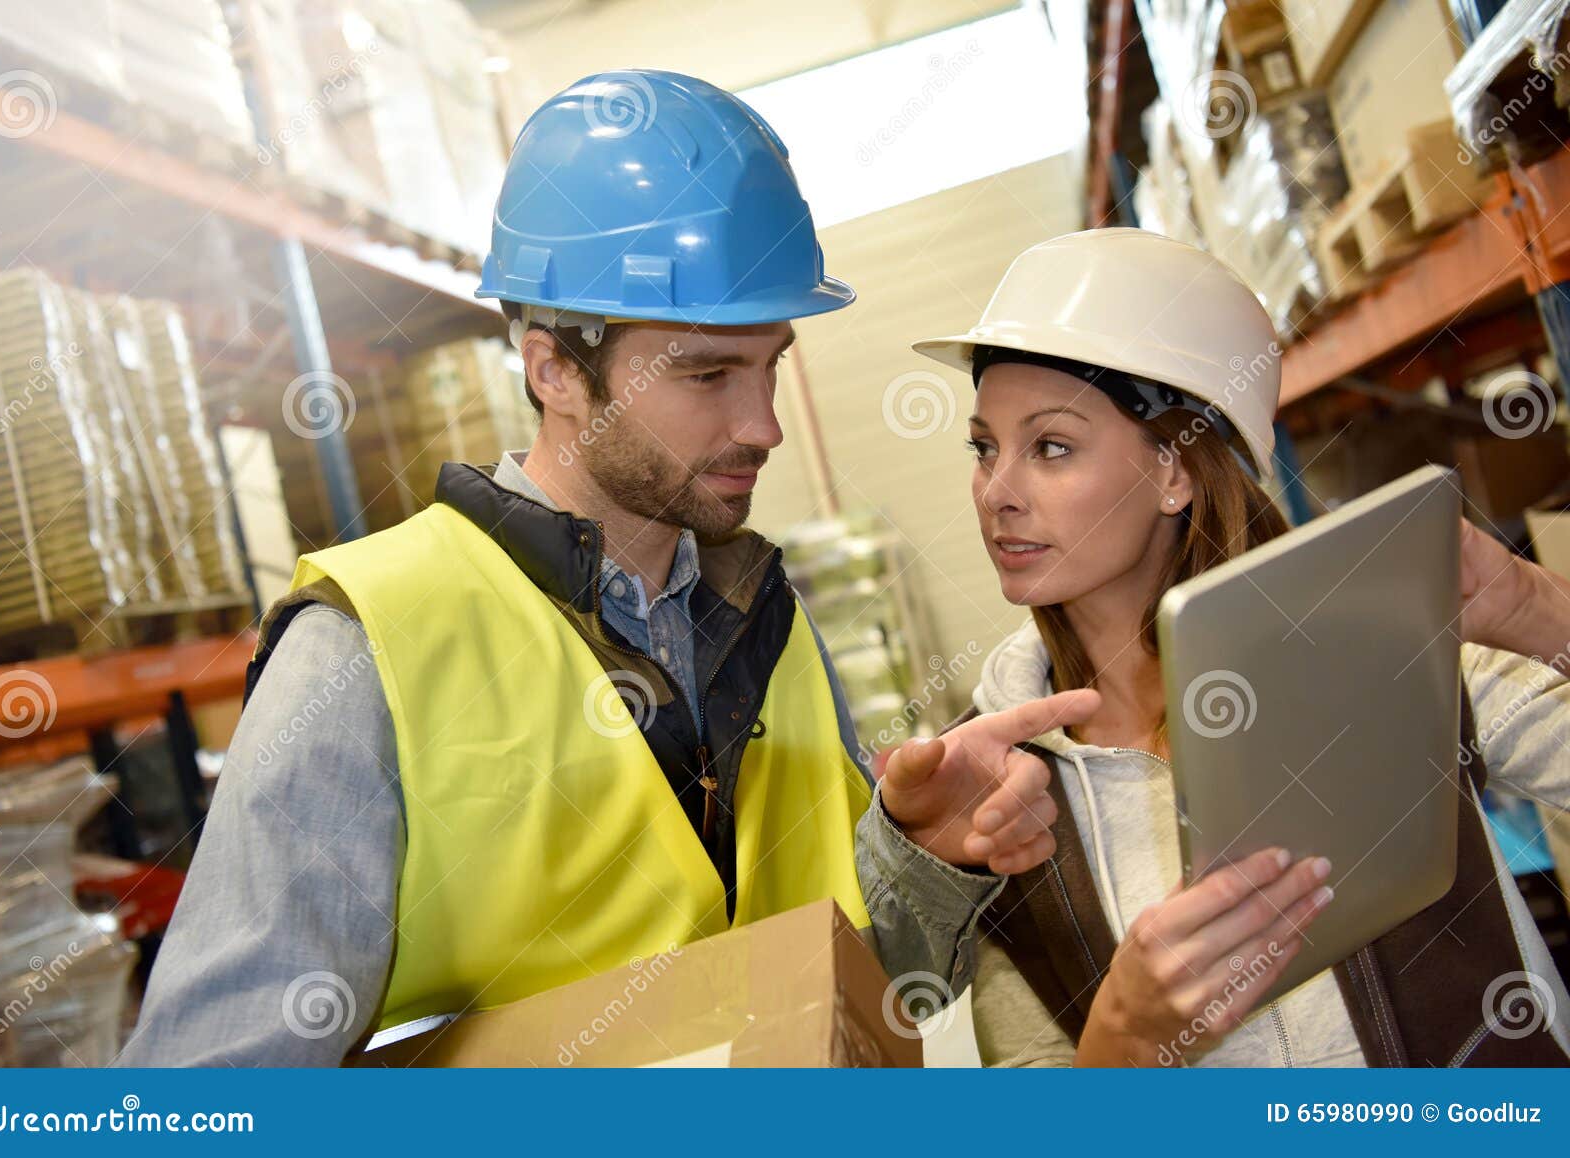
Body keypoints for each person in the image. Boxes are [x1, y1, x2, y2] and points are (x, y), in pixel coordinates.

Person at [115, 70, 1049, 1065]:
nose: (762, 425)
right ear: (554, 369)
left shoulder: (764, 616)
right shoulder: (369, 647)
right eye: (705, 375)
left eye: (769, 363)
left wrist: (920, 849)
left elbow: (843, 985)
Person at [858, 227, 1570, 1066]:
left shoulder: (1369, 644)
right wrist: (1124, 1038)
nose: (996, 494)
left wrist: (1536, 609)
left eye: (1051, 447)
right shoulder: (1001, 788)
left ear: (1175, 471)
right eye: (984, 449)